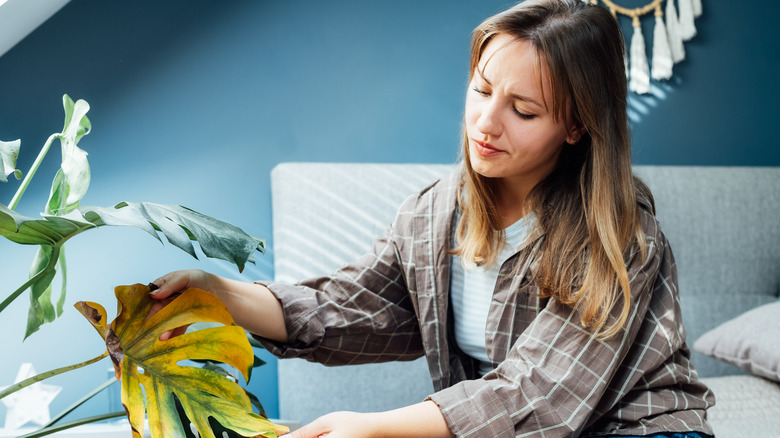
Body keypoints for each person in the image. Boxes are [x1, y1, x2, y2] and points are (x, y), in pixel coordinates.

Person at [150, 0, 715, 436]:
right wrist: (214, 291)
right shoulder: (432, 215)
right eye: (481, 89)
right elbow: (344, 310)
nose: (486, 123)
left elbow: (537, 394)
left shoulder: (620, 235)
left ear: (575, 127)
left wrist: (375, 426)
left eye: (523, 110)